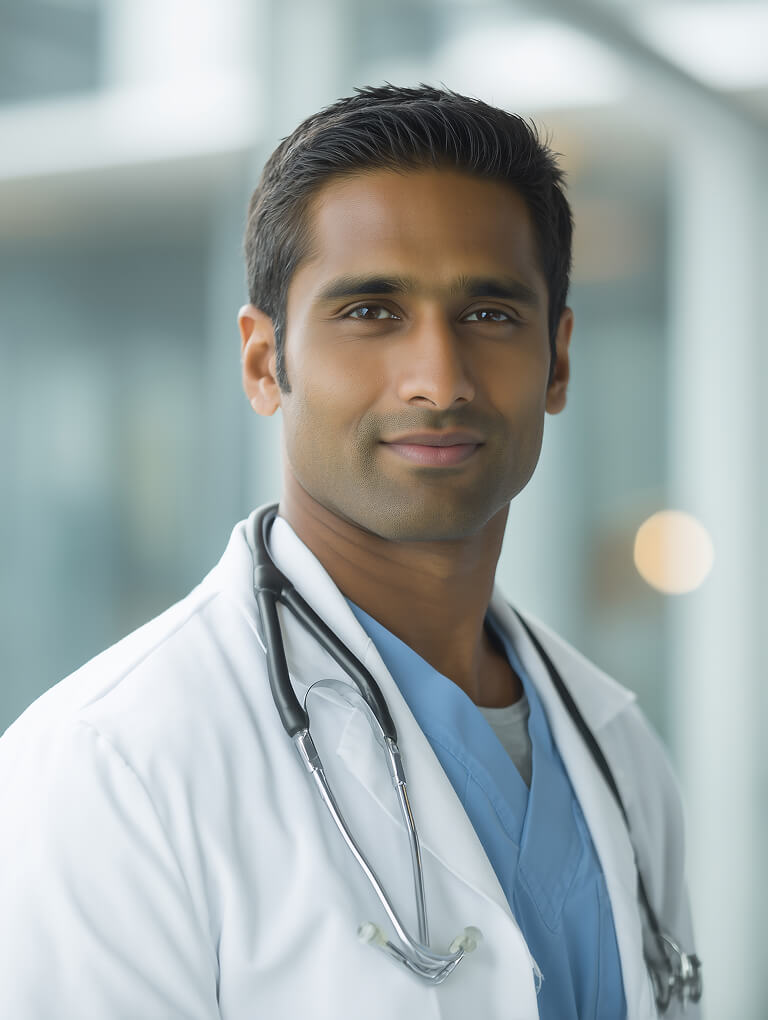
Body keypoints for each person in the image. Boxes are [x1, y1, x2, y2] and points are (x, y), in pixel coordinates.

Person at [0, 84, 700, 1019]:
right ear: (264, 361)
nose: (437, 380)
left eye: (489, 314)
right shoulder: (112, 765)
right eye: (371, 311)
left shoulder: (621, 756)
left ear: (559, 360)